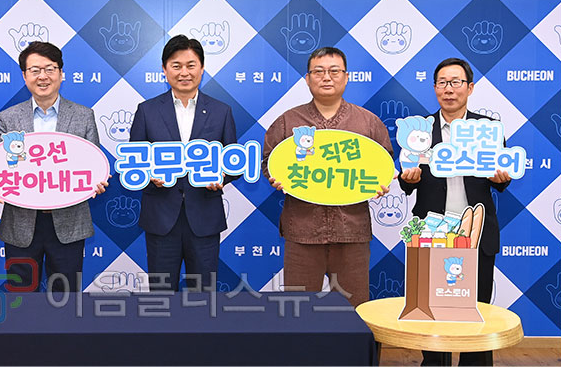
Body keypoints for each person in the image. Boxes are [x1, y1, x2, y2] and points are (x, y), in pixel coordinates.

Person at [398, 57, 510, 366]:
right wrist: (409, 178)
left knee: (478, 309)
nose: (449, 89)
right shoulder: (419, 130)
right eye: (442, 83)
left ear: (470, 88)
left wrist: (501, 177)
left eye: (456, 82)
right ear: (435, 88)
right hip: (432, 233)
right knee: (431, 311)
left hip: (476, 234)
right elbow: (406, 181)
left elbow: (503, 179)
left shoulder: (488, 129)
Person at [262, 46, 392, 307]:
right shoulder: (288, 122)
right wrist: (275, 177)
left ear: (347, 77)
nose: (326, 77)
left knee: (353, 310)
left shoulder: (368, 123)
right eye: (318, 71)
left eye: (334, 71)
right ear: (307, 78)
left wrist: (381, 183)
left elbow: (383, 163)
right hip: (302, 231)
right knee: (298, 309)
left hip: (352, 232)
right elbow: (269, 162)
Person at [0, 41, 107, 292]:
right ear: (24, 76)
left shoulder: (84, 115)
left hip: (69, 222)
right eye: (35, 70)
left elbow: (93, 164)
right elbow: (0, 168)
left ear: (61, 73)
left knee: (66, 298)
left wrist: (97, 182)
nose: (43, 76)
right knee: (20, 297)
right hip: (20, 223)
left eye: (50, 69)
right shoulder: (9, 118)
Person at [129, 34, 237, 291]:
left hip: (204, 216)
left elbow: (233, 161)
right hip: (161, 218)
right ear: (164, 70)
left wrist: (221, 178)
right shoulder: (147, 110)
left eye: (191, 65)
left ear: (202, 68)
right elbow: (135, 161)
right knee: (162, 295)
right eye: (176, 66)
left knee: (204, 295)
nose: (184, 72)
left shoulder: (221, 111)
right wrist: (149, 177)